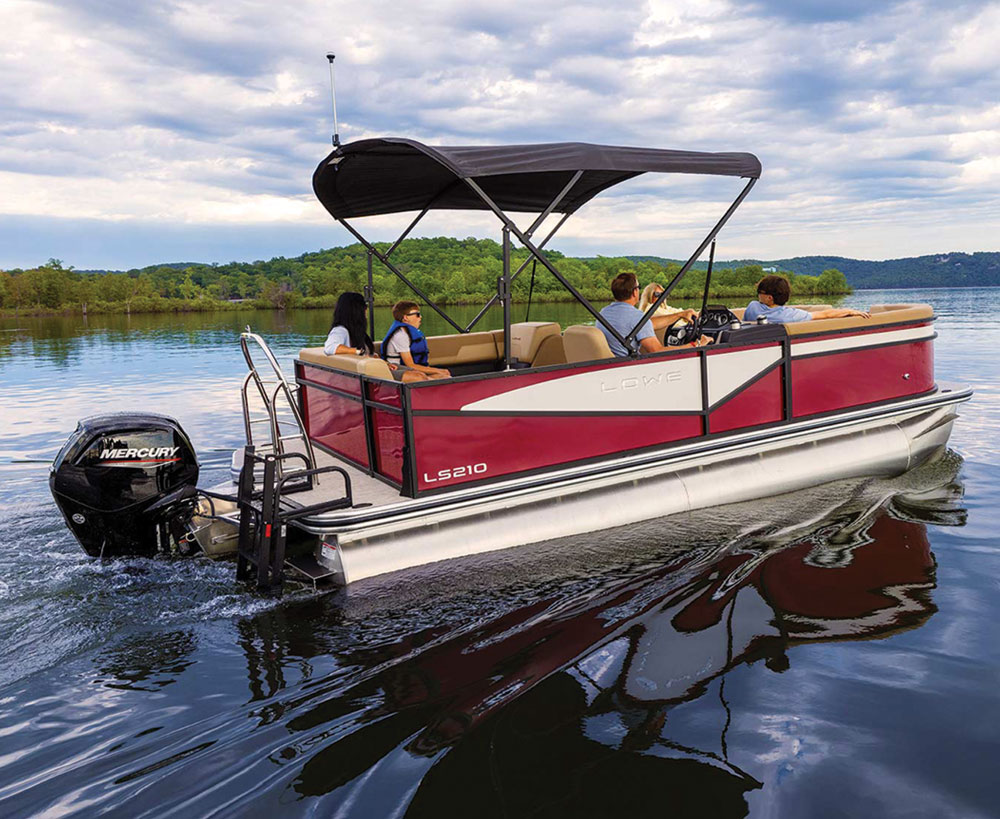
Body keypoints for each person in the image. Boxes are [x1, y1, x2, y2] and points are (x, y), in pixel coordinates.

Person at [323, 292, 429, 383]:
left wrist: (384, 363)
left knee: (420, 374)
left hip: (374, 368)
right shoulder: (340, 330)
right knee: (418, 378)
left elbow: (367, 354)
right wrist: (358, 351)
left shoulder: (356, 331)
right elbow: (330, 347)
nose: (366, 310)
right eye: (364, 306)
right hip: (367, 375)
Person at [598, 273, 711, 357]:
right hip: (630, 367)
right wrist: (695, 344)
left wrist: (680, 315)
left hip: (611, 365)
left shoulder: (603, 313)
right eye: (638, 287)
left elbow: (644, 324)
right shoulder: (636, 317)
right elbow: (656, 351)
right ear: (634, 292)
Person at [744, 275, 870, 323]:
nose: (757, 295)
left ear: (769, 298)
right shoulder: (790, 316)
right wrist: (850, 311)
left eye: (759, 292)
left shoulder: (752, 307)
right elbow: (825, 314)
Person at [381, 301, 451, 379]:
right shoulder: (400, 335)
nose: (420, 317)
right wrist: (438, 370)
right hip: (397, 369)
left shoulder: (409, 332)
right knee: (420, 377)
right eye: (417, 314)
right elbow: (410, 365)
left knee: (445, 377)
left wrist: (439, 372)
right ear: (406, 318)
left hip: (411, 369)